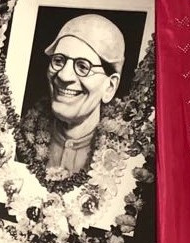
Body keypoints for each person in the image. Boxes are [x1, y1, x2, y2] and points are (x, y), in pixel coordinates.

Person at [35, 14, 126, 174]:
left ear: (110, 87)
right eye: (58, 61)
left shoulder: (124, 159)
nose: (64, 76)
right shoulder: (19, 141)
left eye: (83, 66)